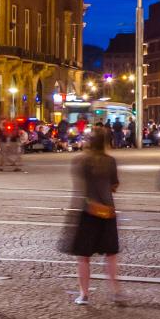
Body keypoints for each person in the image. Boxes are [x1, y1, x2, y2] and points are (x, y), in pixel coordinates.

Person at [61, 129, 122, 306]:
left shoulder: (80, 160)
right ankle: (116, 291)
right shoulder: (110, 161)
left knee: (83, 256)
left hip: (87, 211)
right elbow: (114, 184)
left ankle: (84, 294)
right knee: (110, 253)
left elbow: (79, 185)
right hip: (107, 211)